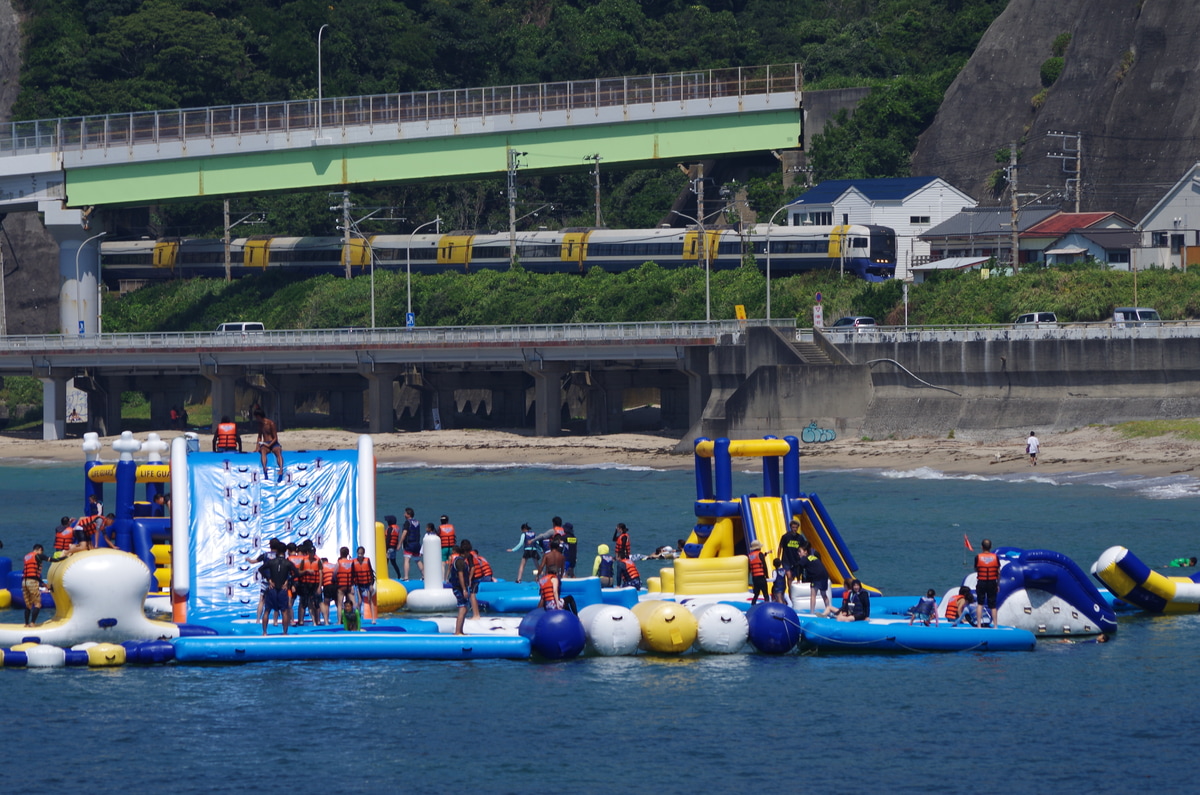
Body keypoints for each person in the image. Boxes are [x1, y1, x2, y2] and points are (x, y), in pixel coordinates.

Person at [260, 540, 299, 635]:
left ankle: (264, 632)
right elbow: (297, 573)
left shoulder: (272, 562)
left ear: (277, 551)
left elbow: (260, 569)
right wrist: (288, 580)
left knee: (267, 610)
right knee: (284, 611)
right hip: (282, 588)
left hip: (272, 588)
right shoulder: (287, 562)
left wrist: (269, 579)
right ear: (285, 551)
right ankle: (285, 632)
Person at [449, 540, 475, 635]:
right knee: (462, 608)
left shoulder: (461, 561)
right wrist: (464, 589)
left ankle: (460, 631)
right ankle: (457, 632)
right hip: (458, 588)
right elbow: (460, 576)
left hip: (460, 587)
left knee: (464, 608)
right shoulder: (459, 561)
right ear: (466, 552)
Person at [974, 538, 1000, 628]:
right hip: (992, 582)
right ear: (991, 547)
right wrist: (998, 584)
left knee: (980, 603)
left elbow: (976, 569)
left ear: (982, 547)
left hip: (981, 581)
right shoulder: (995, 557)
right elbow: (998, 572)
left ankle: (978, 625)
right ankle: (995, 625)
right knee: (993, 605)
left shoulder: (978, 557)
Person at [22, 543, 50, 627]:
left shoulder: (27, 557)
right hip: (32, 582)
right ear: (39, 550)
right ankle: (32, 623)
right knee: (38, 604)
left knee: (28, 604)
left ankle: (26, 624)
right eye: (41, 551)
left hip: (24, 581)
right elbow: (34, 575)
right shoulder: (37, 556)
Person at [800, 542, 832, 613]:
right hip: (824, 575)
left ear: (805, 552)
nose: (798, 553)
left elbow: (798, 566)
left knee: (813, 594)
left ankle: (812, 612)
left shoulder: (804, 558)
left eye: (800, 552)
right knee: (823, 594)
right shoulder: (813, 556)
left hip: (816, 576)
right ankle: (828, 609)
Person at [254, 409, 284, 480]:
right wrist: (257, 447)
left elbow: (275, 438)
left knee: (278, 452)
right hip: (266, 443)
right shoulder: (260, 425)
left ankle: (281, 469)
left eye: (256, 417)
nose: (256, 419)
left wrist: (269, 445)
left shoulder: (271, 423)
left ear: (259, 416)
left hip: (273, 442)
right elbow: (259, 437)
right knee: (263, 451)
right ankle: (264, 467)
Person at [777, 519, 805, 597]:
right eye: (793, 527)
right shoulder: (786, 537)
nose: (794, 529)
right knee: (789, 577)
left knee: (794, 577)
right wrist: (778, 558)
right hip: (786, 560)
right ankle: (790, 594)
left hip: (796, 561)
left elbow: (803, 549)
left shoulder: (800, 538)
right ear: (790, 527)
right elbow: (780, 547)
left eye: (796, 527)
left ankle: (794, 593)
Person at [352, 546, 377, 624]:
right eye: (359, 553)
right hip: (359, 584)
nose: (360, 555)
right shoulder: (354, 562)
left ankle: (373, 619)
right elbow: (352, 574)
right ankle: (358, 618)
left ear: (363, 554)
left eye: (361, 554)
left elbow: (371, 573)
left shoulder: (367, 560)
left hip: (367, 583)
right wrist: (352, 586)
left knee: (370, 600)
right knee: (359, 601)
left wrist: (371, 585)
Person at [400, 508, 422, 579]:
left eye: (405, 513)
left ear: (408, 515)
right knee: (417, 560)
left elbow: (404, 533)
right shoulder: (417, 522)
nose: (404, 514)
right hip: (417, 544)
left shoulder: (407, 522)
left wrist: (400, 543)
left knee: (407, 560)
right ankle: (424, 575)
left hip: (409, 544)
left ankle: (406, 577)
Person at [747, 540, 769, 605]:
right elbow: (764, 565)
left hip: (754, 577)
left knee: (756, 594)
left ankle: (753, 605)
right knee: (765, 593)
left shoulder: (750, 555)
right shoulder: (760, 554)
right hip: (761, 576)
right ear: (759, 547)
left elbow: (750, 567)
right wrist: (766, 575)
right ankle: (767, 605)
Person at [384, 514, 402, 579]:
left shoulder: (390, 528)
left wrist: (385, 548)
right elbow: (396, 539)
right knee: (393, 562)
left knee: (385, 562)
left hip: (389, 548)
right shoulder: (396, 528)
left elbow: (388, 538)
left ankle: (385, 576)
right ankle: (399, 575)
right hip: (393, 547)